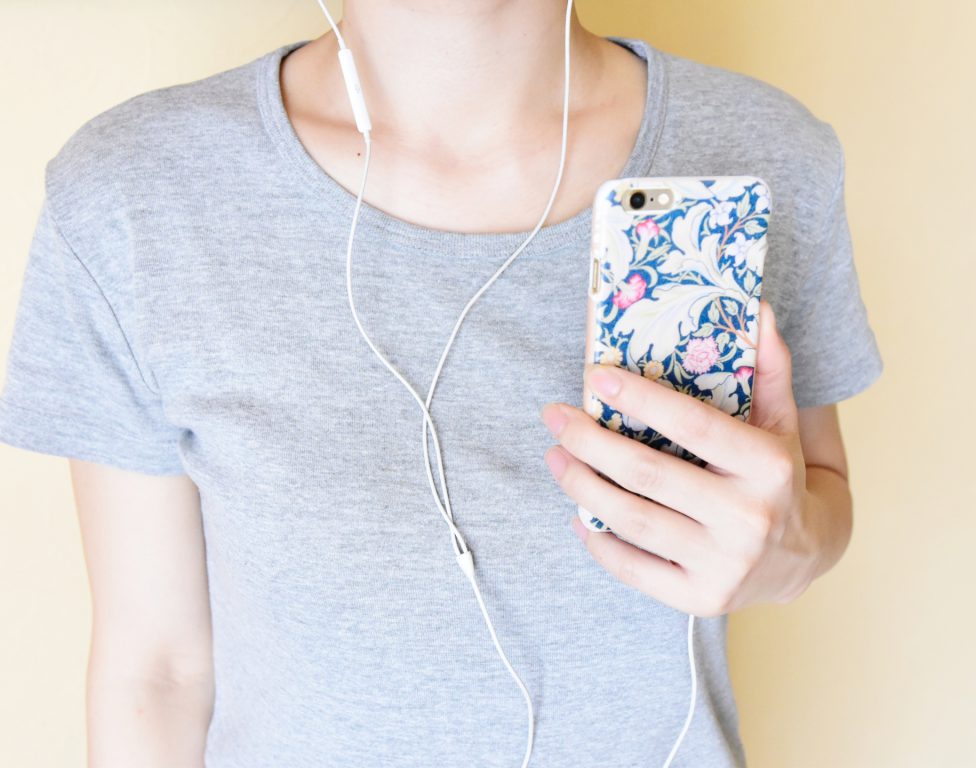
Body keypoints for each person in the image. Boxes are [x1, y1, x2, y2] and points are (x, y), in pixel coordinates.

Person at [0, 1, 884, 766]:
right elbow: (155, 670)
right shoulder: (132, 197)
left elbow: (819, 503)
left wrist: (789, 552)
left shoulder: (770, 152)